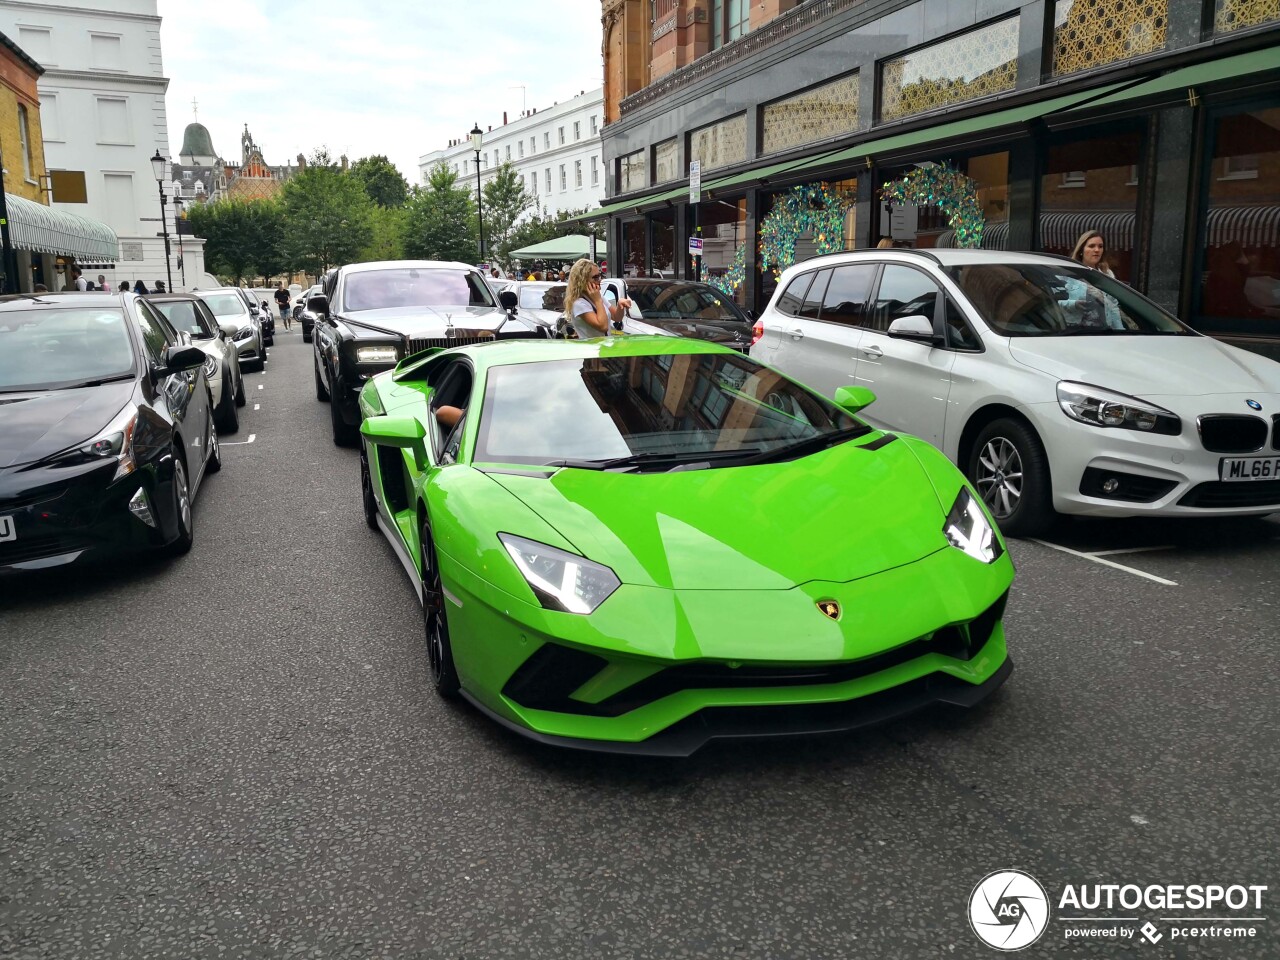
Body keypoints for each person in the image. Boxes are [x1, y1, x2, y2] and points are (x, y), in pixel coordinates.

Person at [1063, 230, 1122, 329]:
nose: (1097, 250)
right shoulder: (1068, 272)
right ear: (1081, 250)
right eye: (1091, 246)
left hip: (1103, 330)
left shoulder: (1107, 273)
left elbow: (1114, 307)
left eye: (1100, 246)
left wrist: (1121, 331)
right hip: (1074, 331)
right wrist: (1074, 304)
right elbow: (1052, 303)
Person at [563, 259, 631, 340]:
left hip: (603, 347)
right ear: (582, 281)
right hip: (590, 349)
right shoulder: (579, 303)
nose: (600, 280)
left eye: (600, 276)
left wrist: (620, 305)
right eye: (595, 277)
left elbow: (616, 317)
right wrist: (598, 300)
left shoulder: (597, 296)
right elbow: (603, 327)